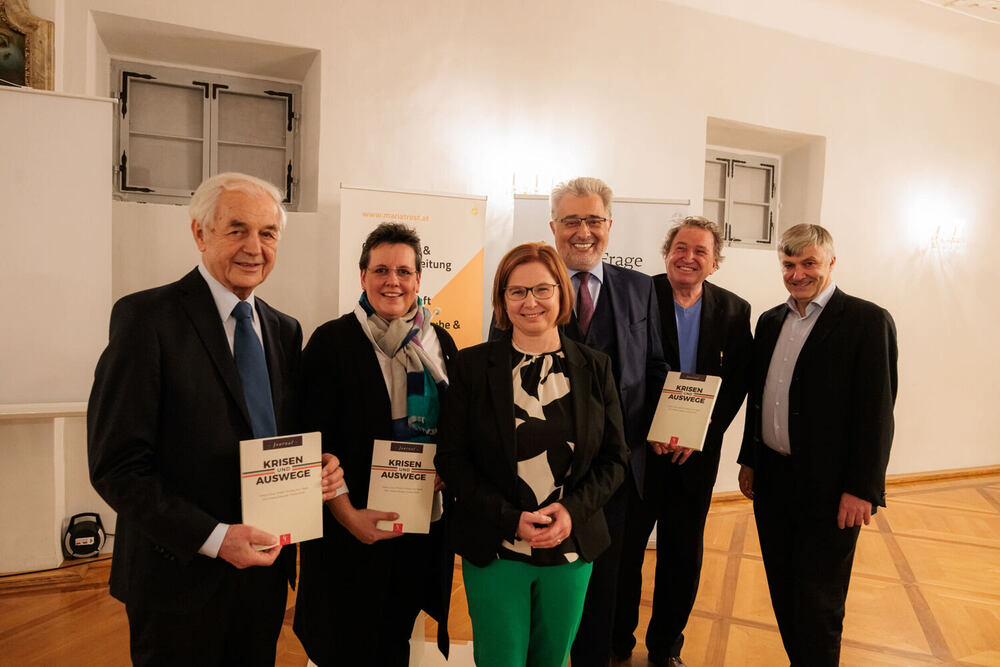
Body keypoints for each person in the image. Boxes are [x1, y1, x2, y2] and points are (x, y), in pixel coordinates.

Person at [88, 172, 343, 666]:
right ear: (200, 233)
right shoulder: (146, 320)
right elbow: (116, 466)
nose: (254, 247)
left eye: (268, 233)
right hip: (178, 581)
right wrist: (216, 538)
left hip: (263, 576)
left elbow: (276, 437)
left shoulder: (284, 330)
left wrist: (316, 467)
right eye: (237, 229)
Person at [438, 241, 629, 667]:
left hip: (570, 545)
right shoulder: (471, 367)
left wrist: (572, 512)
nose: (530, 302)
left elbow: (615, 459)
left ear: (561, 293)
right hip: (495, 545)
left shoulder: (595, 367)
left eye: (542, 289)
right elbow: (452, 459)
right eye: (517, 291)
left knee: (552, 659)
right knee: (500, 659)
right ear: (502, 300)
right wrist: (510, 519)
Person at [293, 222, 455, 666]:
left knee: (394, 640)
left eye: (404, 271)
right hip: (349, 530)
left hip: (417, 526)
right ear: (363, 276)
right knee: (345, 643)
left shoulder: (439, 342)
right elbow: (312, 441)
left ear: (418, 279)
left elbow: (456, 427)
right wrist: (350, 518)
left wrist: (448, 466)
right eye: (381, 270)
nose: (392, 281)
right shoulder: (331, 342)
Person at [737, 223, 898, 666]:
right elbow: (759, 398)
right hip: (772, 479)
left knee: (819, 601)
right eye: (789, 264)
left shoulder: (867, 321)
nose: (798, 274)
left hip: (831, 490)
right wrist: (750, 459)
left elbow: (877, 414)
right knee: (783, 588)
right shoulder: (771, 320)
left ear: (831, 262)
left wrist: (862, 488)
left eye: (809, 262)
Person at [614, 216, 752, 666]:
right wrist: (651, 429)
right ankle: (617, 641)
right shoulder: (638, 295)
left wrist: (701, 434)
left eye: (700, 251)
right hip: (639, 450)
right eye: (680, 248)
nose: (688, 257)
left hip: (696, 456)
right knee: (625, 552)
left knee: (682, 555)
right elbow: (621, 368)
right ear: (666, 252)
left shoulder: (734, 309)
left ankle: (665, 647)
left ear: (715, 262)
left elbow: (738, 381)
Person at [543, 176, 668, 667]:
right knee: (551, 586)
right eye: (572, 220)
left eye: (594, 220)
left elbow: (654, 367)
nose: (583, 231)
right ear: (554, 226)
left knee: (605, 586)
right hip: (545, 471)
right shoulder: (529, 282)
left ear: (610, 225)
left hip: (618, 470)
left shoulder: (639, 287)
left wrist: (665, 429)